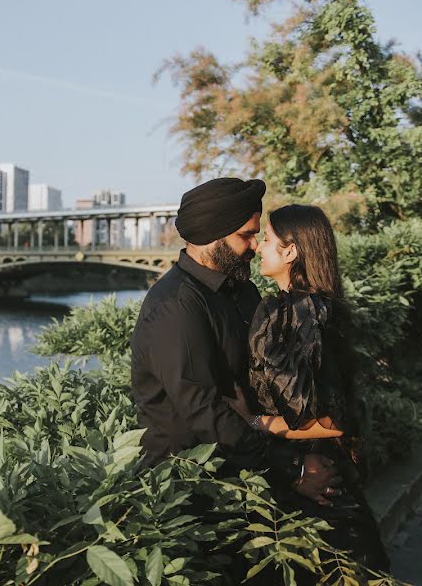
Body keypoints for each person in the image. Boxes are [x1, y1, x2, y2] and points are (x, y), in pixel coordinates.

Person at [129, 177, 342, 517]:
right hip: (190, 493)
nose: (255, 245)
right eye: (246, 235)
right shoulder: (175, 306)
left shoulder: (241, 291)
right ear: (212, 236)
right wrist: (293, 469)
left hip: (247, 472)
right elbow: (203, 411)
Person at [224, 204, 390, 572]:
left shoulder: (295, 312)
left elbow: (332, 420)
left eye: (266, 239)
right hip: (321, 476)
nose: (258, 247)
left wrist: (254, 422)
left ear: (291, 252)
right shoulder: (319, 306)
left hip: (316, 484)